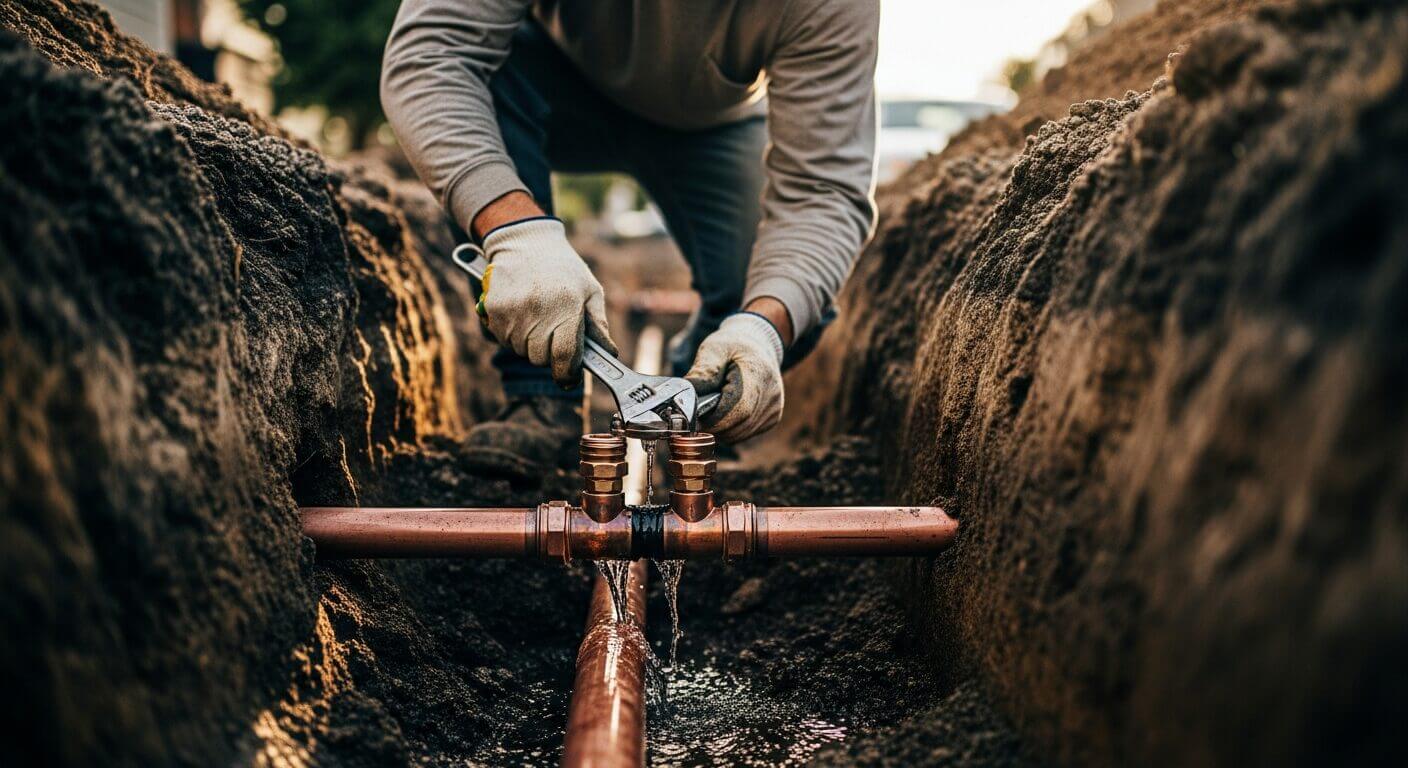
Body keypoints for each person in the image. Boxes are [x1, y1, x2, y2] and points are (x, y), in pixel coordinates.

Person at [381, 0, 878, 470]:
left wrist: (763, 327)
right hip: (551, 82)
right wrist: (517, 232)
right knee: (481, 89)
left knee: (787, 291)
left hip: (714, 127)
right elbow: (433, 54)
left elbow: (825, 192)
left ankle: (697, 414)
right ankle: (541, 398)